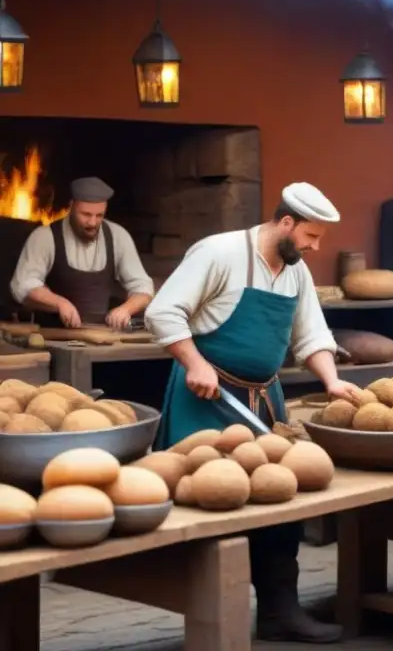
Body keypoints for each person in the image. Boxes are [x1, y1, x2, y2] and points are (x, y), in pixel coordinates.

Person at [146, 182, 361, 644]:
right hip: (205, 398)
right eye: (311, 236)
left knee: (278, 498)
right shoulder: (219, 253)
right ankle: (204, 621)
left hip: (265, 401)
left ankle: (279, 613)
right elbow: (163, 312)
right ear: (286, 223)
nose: (315, 246)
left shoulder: (296, 271)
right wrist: (195, 364)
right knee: (210, 501)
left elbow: (311, 335)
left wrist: (331, 380)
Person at [11, 176, 154, 329]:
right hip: (53, 338)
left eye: (99, 215)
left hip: (101, 337)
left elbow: (142, 286)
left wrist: (126, 309)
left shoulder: (118, 236)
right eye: (86, 214)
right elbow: (23, 285)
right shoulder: (44, 237)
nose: (92, 223)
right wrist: (59, 303)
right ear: (71, 206)